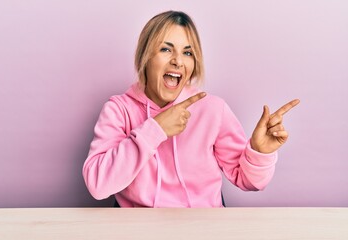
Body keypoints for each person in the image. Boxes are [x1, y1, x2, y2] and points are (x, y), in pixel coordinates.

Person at [82, 10, 300, 207]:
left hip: (203, 227)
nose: (178, 61)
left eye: (187, 53)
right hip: (140, 229)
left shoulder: (213, 110)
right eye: (166, 49)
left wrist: (260, 152)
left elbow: (250, 181)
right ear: (145, 57)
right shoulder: (118, 110)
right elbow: (98, 185)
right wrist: (155, 130)